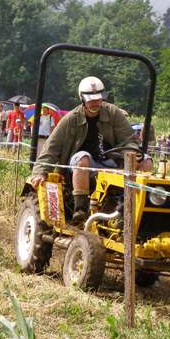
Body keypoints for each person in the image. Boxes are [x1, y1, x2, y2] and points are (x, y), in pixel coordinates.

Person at [30, 76, 152, 227]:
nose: (95, 103)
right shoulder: (71, 120)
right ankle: (80, 210)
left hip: (112, 162)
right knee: (83, 157)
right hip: (81, 167)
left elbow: (129, 140)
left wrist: (134, 154)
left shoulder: (113, 113)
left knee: (146, 160)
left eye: (98, 99)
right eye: (91, 100)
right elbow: (51, 148)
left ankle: (131, 208)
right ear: (82, 99)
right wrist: (40, 172)